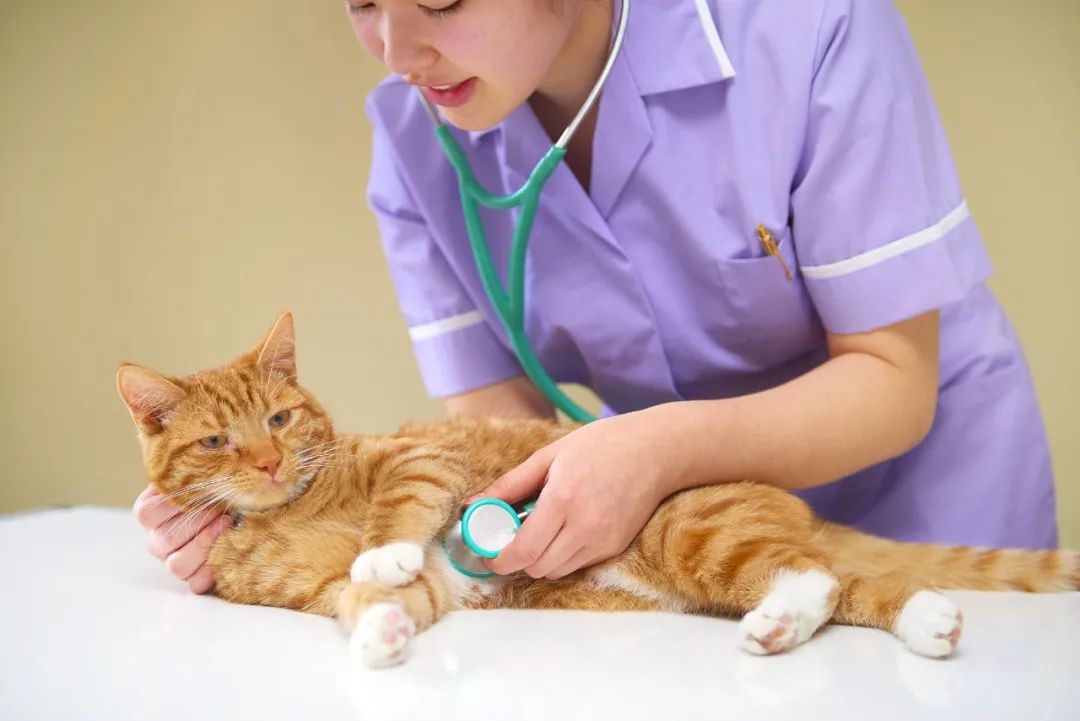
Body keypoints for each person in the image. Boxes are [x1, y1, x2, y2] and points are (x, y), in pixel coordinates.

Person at [134, 0, 1057, 594]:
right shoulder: (415, 142)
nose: (399, 52)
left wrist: (654, 452)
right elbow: (497, 435)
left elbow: (893, 379)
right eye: (362, 3)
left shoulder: (809, 29)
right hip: (688, 541)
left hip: (926, 506)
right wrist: (268, 529)